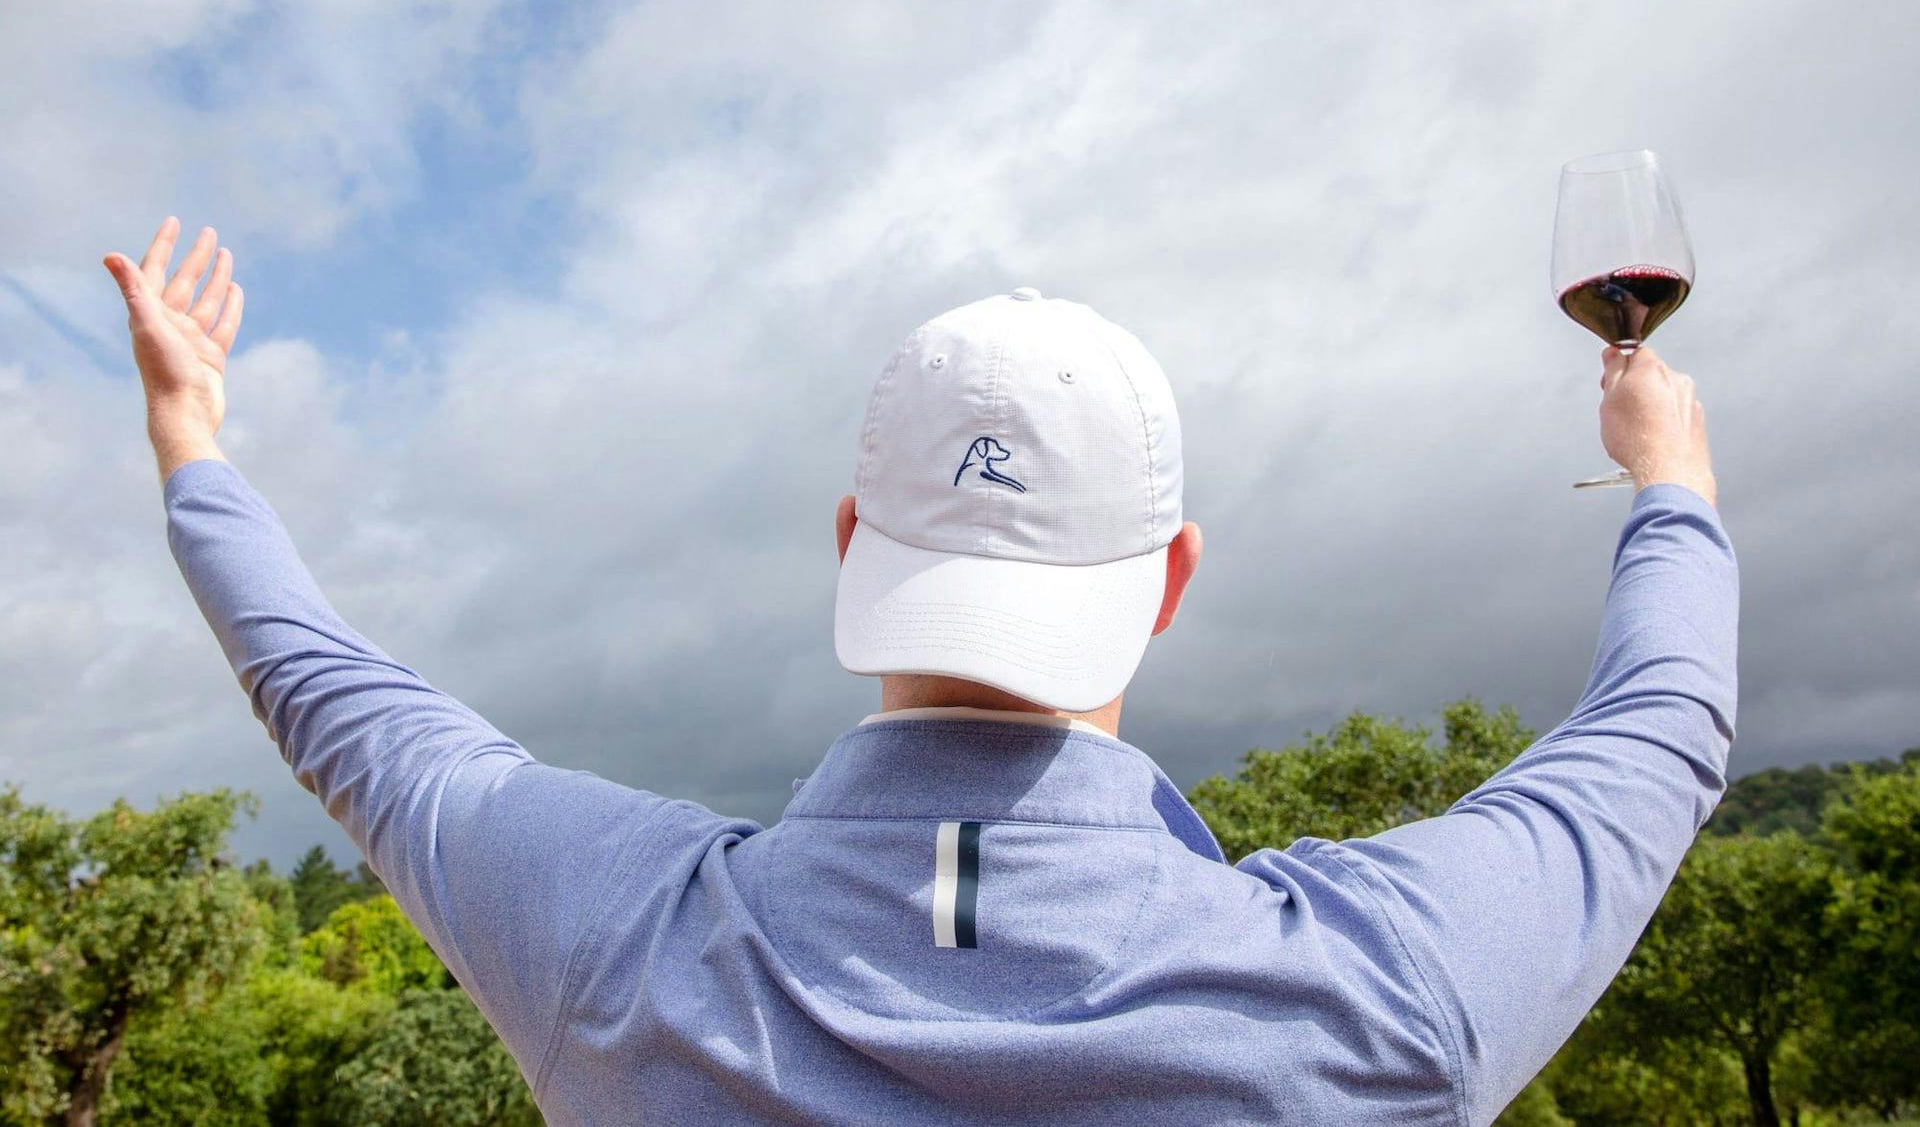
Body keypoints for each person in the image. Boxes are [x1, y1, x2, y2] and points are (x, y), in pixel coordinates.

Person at [104, 215, 1735, 1126]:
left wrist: (197, 446)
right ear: (1167, 582)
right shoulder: (1375, 998)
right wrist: (1669, 487)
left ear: (846, 542)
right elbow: (1654, 738)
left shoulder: (618, 944)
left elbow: (351, 717)